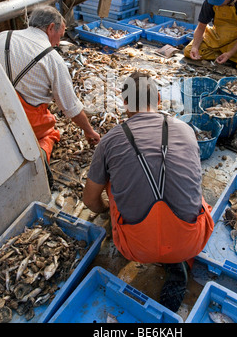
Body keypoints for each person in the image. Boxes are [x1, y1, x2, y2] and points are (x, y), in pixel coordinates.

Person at [83, 71, 214, 312]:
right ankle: (176, 263)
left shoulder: (109, 141)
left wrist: (106, 212)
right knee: (191, 186)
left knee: (111, 182)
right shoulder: (186, 130)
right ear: (160, 99)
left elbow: (90, 200)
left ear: (124, 103)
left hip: (135, 248)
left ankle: (137, 237)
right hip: (191, 241)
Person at [0, 5, 100, 183]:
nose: (58, 43)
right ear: (50, 28)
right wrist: (89, 131)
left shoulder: (1, 37)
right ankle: (39, 161)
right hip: (24, 118)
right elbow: (70, 108)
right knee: (51, 132)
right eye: (60, 36)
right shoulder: (52, 58)